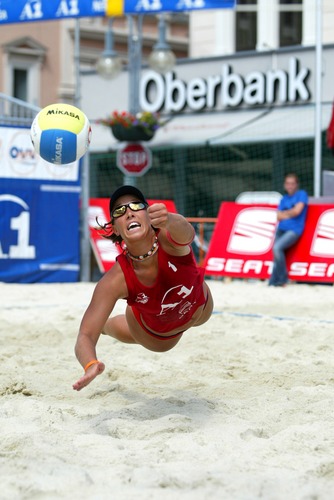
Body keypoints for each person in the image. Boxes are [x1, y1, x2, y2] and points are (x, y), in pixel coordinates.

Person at [73, 185, 214, 391]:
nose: (129, 212)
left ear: (149, 215)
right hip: (159, 337)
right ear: (116, 229)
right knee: (106, 323)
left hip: (201, 309)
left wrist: (170, 218)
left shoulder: (169, 237)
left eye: (136, 205)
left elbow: (187, 233)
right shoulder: (115, 280)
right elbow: (84, 336)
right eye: (120, 211)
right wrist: (90, 364)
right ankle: (105, 326)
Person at [269, 173, 308, 287]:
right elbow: (278, 216)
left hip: (294, 230)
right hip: (281, 229)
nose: (290, 186)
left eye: (292, 183)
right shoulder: (284, 198)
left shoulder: (302, 194)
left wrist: (285, 214)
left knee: (277, 248)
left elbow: (297, 212)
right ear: (285, 185)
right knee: (276, 253)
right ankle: (274, 280)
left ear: (296, 185)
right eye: (287, 183)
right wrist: (290, 213)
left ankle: (282, 279)